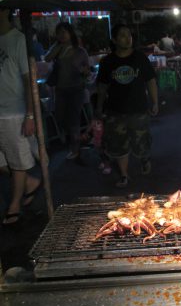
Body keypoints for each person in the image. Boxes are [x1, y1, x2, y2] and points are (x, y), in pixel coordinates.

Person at [95, 24, 158, 188]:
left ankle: (144, 158)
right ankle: (124, 175)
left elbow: (150, 81)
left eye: (129, 35)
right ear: (114, 40)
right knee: (118, 145)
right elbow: (102, 87)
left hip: (139, 110)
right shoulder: (108, 62)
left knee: (141, 142)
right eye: (122, 35)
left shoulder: (140, 58)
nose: (127, 38)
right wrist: (98, 108)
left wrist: (155, 102)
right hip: (115, 111)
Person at [0, 7, 42, 225]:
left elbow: (29, 81)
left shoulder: (18, 40)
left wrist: (30, 115)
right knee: (5, 162)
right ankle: (29, 183)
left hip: (14, 112)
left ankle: (14, 205)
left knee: (17, 162)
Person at [45, 22, 90, 160]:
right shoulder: (57, 49)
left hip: (76, 89)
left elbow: (87, 71)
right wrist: (58, 46)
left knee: (74, 120)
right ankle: (72, 138)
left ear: (70, 33)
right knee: (60, 117)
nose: (62, 35)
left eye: (64, 32)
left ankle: (75, 149)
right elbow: (47, 58)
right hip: (61, 90)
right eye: (59, 32)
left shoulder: (80, 51)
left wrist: (84, 72)